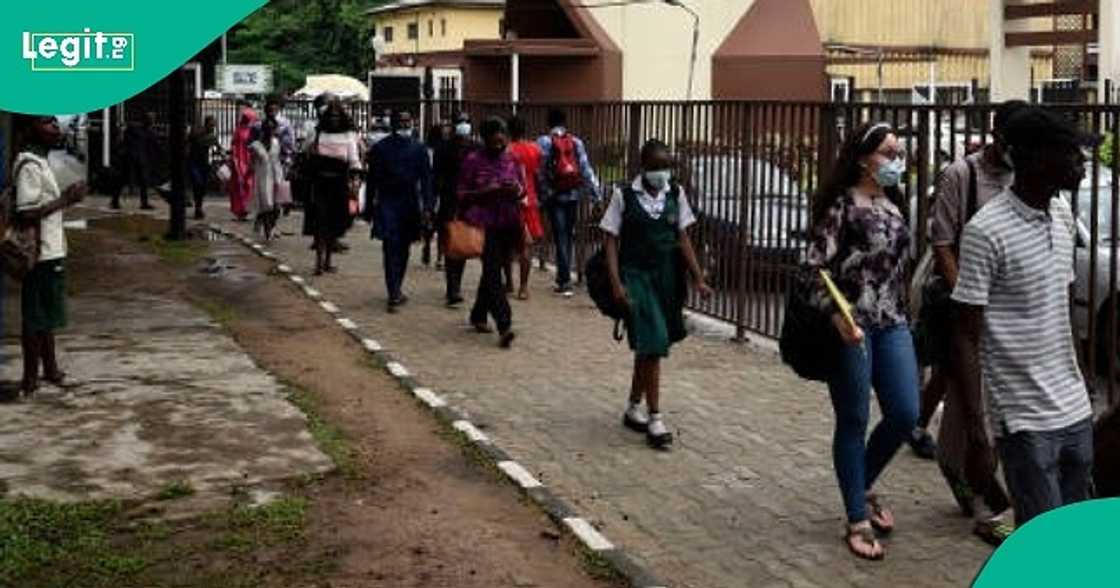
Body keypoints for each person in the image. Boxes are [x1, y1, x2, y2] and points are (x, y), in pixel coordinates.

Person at [953, 106, 1095, 529]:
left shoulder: (1064, 216)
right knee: (1045, 546)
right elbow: (964, 335)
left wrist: (1083, 378)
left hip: (1074, 409)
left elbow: (1061, 308)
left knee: (1079, 538)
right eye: (1069, 153)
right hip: (1024, 418)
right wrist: (978, 435)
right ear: (1033, 159)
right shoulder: (986, 232)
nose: (1081, 163)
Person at [806, 122, 919, 561]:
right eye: (888, 154)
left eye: (899, 153)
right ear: (862, 159)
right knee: (853, 418)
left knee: (905, 412)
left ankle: (862, 482)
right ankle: (856, 516)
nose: (896, 162)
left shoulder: (895, 204)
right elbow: (812, 270)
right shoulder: (841, 206)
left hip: (892, 322)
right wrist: (836, 315)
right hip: (851, 325)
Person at [918, 100, 1027, 545]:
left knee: (975, 388)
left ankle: (971, 474)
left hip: (1006, 309)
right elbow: (943, 242)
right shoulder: (961, 176)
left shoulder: (1022, 178)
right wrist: (971, 295)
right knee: (965, 386)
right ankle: (973, 480)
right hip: (963, 301)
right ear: (997, 137)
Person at [601, 139, 711, 450]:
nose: (662, 173)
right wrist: (616, 283)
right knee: (655, 340)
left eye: (666, 167)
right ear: (643, 168)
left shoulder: (675, 194)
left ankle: (634, 406)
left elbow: (683, 238)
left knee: (649, 346)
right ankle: (656, 417)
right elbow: (609, 240)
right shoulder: (623, 196)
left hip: (667, 279)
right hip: (637, 277)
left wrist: (699, 278)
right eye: (656, 168)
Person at [12, 115, 87, 396]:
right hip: (40, 252)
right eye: (47, 122)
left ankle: (51, 370)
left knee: (46, 315)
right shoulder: (29, 164)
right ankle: (30, 380)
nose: (56, 127)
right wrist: (65, 200)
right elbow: (26, 211)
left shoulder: (41, 160)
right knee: (34, 317)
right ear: (31, 128)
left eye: (56, 122)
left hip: (51, 249)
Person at [457, 117, 523, 348]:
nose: (500, 140)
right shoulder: (473, 161)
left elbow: (522, 190)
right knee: (494, 273)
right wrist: (485, 191)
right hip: (483, 225)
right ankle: (505, 324)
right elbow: (462, 194)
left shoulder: (512, 160)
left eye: (503, 135)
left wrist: (515, 190)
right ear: (485, 138)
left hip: (508, 223)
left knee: (491, 271)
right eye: (495, 137)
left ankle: (478, 314)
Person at [368, 111, 434, 312]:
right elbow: (372, 179)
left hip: (410, 202)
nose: (405, 124)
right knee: (390, 245)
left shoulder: (419, 148)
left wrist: (428, 207)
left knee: (404, 246)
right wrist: (369, 205)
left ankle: (397, 286)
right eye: (401, 120)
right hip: (387, 200)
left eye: (408, 120)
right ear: (393, 123)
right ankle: (393, 290)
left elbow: (426, 179)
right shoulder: (380, 148)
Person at [538, 109, 601, 297]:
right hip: (573, 195)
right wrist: (596, 196)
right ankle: (565, 278)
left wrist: (544, 194)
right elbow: (586, 169)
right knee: (568, 233)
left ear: (548, 123)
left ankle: (564, 280)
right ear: (565, 123)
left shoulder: (543, 142)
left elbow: (539, 172)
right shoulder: (576, 142)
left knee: (560, 237)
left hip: (554, 196)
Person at [305, 98, 362, 275]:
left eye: (337, 116)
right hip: (320, 182)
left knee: (334, 224)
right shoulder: (317, 133)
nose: (334, 119)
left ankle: (328, 260)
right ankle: (318, 262)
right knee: (320, 222)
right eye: (331, 115)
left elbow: (354, 160)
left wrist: (355, 181)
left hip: (339, 184)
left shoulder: (348, 135)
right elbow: (307, 151)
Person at [436, 113, 478, 306]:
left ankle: (455, 286)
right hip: (449, 202)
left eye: (466, 122)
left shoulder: (476, 148)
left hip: (469, 204)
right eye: (460, 123)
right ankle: (452, 289)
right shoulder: (444, 148)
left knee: (461, 245)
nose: (463, 126)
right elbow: (437, 176)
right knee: (450, 244)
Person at [505, 116, 545, 300]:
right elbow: (538, 174)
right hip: (529, 200)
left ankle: (509, 282)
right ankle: (523, 287)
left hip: (509, 200)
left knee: (506, 245)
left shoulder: (506, 150)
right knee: (526, 246)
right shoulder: (534, 149)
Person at [249, 117, 291, 241]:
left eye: (273, 128)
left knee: (277, 206)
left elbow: (284, 157)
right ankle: (267, 229)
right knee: (267, 205)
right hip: (262, 177)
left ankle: (269, 224)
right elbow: (251, 163)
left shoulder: (277, 143)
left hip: (277, 176)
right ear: (263, 129)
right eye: (268, 128)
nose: (270, 130)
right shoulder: (256, 145)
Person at [114, 111, 158, 210]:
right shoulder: (134, 129)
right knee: (123, 179)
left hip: (139, 159)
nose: (152, 121)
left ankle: (144, 203)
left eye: (153, 119)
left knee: (143, 181)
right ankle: (115, 200)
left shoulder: (149, 132)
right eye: (150, 119)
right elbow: (126, 141)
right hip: (130, 158)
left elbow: (152, 146)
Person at [228, 105, 257, 221]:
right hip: (238, 160)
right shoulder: (238, 130)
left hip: (248, 159)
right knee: (238, 186)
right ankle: (240, 210)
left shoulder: (251, 131)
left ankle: (245, 209)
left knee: (248, 185)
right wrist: (234, 159)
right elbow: (233, 145)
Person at [188, 115, 219, 220]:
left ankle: (199, 207)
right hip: (194, 163)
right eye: (211, 125)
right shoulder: (196, 134)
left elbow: (217, 147)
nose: (213, 127)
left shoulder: (212, 136)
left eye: (213, 125)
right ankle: (198, 208)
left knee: (203, 187)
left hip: (204, 165)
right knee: (198, 184)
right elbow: (188, 140)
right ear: (206, 124)